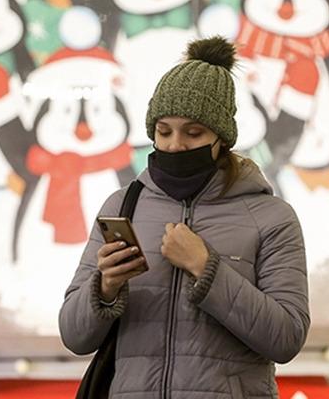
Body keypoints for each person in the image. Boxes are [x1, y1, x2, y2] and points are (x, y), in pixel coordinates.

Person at [59, 36, 310, 398]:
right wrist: (105, 288)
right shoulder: (120, 207)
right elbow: (73, 335)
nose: (175, 145)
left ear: (221, 138)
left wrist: (207, 268)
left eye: (193, 133)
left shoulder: (271, 217)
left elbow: (286, 338)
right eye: (163, 132)